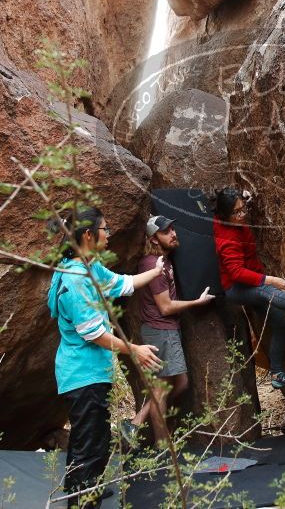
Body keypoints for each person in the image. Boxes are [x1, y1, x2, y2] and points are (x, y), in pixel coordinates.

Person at [46, 207, 164, 509]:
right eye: (105, 229)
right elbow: (94, 334)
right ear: (88, 235)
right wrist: (135, 350)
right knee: (89, 444)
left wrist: (157, 270)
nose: (108, 234)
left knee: (94, 438)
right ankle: (82, 502)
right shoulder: (75, 280)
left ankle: (88, 490)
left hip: (93, 373)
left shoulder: (89, 268)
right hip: (82, 374)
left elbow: (123, 284)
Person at [212, 188, 285, 389]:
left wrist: (244, 197)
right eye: (237, 212)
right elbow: (236, 273)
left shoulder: (227, 216)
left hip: (248, 281)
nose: (242, 214)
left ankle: (277, 374)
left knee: (280, 323)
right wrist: (270, 280)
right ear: (225, 216)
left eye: (243, 209)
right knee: (265, 291)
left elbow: (230, 199)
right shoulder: (227, 239)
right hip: (237, 288)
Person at [122, 215, 215, 446]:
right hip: (160, 331)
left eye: (173, 229)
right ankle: (163, 447)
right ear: (154, 239)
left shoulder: (163, 260)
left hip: (166, 331)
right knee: (161, 390)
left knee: (179, 383)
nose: (173, 234)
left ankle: (136, 422)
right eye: (167, 231)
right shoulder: (152, 265)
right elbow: (164, 307)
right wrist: (197, 302)